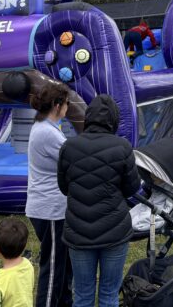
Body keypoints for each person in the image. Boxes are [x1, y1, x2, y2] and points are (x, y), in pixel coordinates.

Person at [58, 95, 140, 307]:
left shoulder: (69, 146)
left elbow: (64, 187)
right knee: (109, 294)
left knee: (83, 295)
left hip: (79, 232)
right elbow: (132, 188)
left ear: (88, 117)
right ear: (113, 119)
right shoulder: (122, 147)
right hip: (115, 229)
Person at [25, 83, 73, 307]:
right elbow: (74, 160)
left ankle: (64, 302)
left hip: (50, 206)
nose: (68, 107)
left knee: (62, 263)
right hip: (50, 210)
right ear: (57, 105)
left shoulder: (46, 126)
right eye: (66, 103)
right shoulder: (47, 132)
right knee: (52, 267)